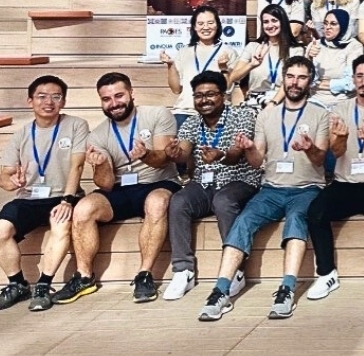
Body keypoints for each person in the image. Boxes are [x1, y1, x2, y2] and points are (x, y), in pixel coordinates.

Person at [197, 56, 329, 321]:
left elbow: (320, 159)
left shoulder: (320, 114)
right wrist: (248, 149)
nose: (295, 82)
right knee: (244, 220)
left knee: (296, 219)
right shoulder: (267, 114)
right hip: (271, 188)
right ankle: (221, 290)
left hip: (307, 188)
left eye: (302, 77)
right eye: (290, 76)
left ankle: (287, 288)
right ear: (283, 78)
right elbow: (258, 162)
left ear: (310, 81)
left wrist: (309, 148)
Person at [52, 73, 180, 305]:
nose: (114, 103)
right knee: (83, 209)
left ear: (132, 93)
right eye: (106, 99)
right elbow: (106, 184)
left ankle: (144, 274)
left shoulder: (157, 114)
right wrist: (100, 165)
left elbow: (164, 159)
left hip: (158, 181)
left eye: (119, 95)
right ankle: (83, 277)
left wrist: (146, 155)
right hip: (121, 188)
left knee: (157, 202)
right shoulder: (98, 133)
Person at [305, 55, 364, 301]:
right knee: (316, 211)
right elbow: (336, 153)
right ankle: (327, 273)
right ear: (353, 79)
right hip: (345, 183)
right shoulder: (339, 109)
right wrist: (339, 138)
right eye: (359, 76)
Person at [161, 72, 259, 301]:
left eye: (210, 95)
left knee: (223, 200)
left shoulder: (242, 115)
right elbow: (184, 151)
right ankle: (183, 270)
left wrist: (220, 155)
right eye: (199, 96)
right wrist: (175, 155)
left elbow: (236, 154)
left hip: (240, 180)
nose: (204, 100)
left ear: (223, 95)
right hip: (204, 183)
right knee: (179, 201)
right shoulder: (192, 122)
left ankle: (236, 270)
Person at [0, 76, 89, 312]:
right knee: (1, 229)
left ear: (64, 101)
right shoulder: (21, 134)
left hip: (63, 196)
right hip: (29, 197)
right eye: (41, 96)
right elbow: (5, 174)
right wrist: (12, 181)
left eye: (56, 96)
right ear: (30, 101)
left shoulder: (76, 125)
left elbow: (77, 165)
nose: (48, 102)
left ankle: (43, 284)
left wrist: (67, 201)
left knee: (60, 224)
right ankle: (17, 284)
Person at [161, 6, 239, 130]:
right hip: (186, 112)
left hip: (216, 113)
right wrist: (170, 65)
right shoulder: (184, 51)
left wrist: (223, 68)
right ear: (194, 27)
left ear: (217, 25)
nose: (206, 27)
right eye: (201, 23)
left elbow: (227, 89)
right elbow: (176, 89)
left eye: (210, 23)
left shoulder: (228, 51)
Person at [229, 5, 305, 107]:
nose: (270, 25)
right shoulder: (253, 47)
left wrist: (273, 103)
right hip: (255, 101)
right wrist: (252, 65)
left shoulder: (295, 50)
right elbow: (233, 77)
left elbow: (291, 82)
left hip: (282, 101)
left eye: (274, 20)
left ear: (283, 22)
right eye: (266, 22)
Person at [307, 8, 364, 109]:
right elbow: (307, 81)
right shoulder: (315, 45)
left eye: (333, 24)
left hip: (342, 101)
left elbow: (351, 83)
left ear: (343, 26)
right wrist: (309, 58)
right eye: (325, 23)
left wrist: (323, 84)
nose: (328, 27)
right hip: (316, 99)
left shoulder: (354, 47)